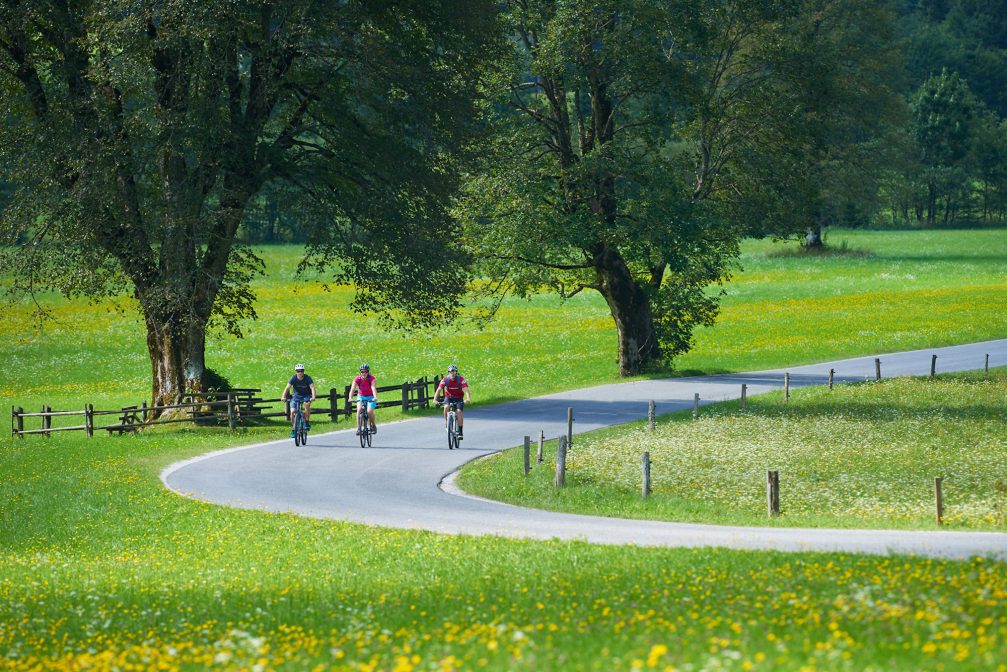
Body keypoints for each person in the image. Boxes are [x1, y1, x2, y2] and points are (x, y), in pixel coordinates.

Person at [434, 364, 470, 439]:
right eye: (450, 372)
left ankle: (460, 432)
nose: (452, 373)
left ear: (456, 372)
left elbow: (466, 389)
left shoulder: (461, 379)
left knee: (459, 411)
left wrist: (467, 398)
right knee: (446, 407)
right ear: (448, 372)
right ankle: (447, 423)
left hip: (459, 397)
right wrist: (435, 399)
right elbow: (439, 390)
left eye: (454, 371)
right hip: (449, 397)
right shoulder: (445, 379)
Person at [281, 363, 316, 437]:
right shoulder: (293, 378)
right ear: (296, 371)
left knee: (307, 405)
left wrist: (313, 397)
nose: (300, 373)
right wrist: (283, 397)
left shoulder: (307, 378)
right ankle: (294, 429)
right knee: (292, 411)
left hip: (306, 396)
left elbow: (312, 387)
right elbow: (287, 388)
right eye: (298, 371)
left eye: (301, 371)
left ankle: (306, 422)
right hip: (296, 397)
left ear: (303, 371)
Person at [347, 363, 378, 434]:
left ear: (368, 372)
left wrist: (375, 397)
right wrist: (350, 398)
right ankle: (359, 428)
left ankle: (373, 426)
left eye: (365, 371)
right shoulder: (357, 379)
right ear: (360, 372)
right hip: (361, 396)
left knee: (369, 411)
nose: (364, 373)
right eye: (362, 371)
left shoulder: (372, 378)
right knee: (359, 409)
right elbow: (352, 389)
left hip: (371, 396)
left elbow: (373, 388)